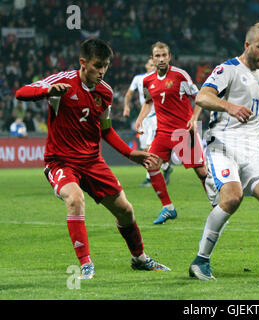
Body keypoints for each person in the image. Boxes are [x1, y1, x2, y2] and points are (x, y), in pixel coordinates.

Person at [15, 38, 170, 280]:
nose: (102, 71)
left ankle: (139, 258)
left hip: (92, 161)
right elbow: (21, 92)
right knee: (75, 200)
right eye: (98, 65)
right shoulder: (62, 81)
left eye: (106, 66)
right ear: (83, 62)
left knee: (126, 211)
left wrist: (132, 154)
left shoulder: (105, 92)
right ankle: (86, 264)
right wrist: (47, 91)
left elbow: (105, 129)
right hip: (61, 161)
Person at [189, 23, 259, 282]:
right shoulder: (227, 69)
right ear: (247, 45)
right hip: (223, 146)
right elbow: (203, 98)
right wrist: (229, 107)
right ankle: (200, 261)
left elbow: (256, 116)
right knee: (232, 198)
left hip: (252, 148)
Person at [140, 41, 208, 225]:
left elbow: (199, 98)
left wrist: (193, 119)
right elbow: (148, 100)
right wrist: (140, 119)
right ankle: (168, 208)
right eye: (157, 56)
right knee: (151, 164)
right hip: (162, 132)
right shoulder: (147, 80)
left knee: (201, 172)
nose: (161, 59)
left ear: (169, 57)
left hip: (183, 131)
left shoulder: (179, 75)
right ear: (152, 59)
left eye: (164, 55)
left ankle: (217, 204)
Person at [123, 58, 174, 187]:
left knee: (150, 147)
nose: (152, 67)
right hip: (144, 117)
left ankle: (149, 178)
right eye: (150, 65)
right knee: (145, 148)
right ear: (146, 65)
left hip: (155, 117)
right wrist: (126, 107)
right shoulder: (138, 79)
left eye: (154, 65)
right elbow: (128, 94)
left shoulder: (161, 79)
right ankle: (166, 167)